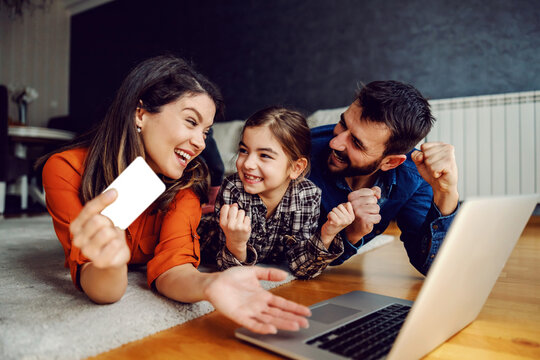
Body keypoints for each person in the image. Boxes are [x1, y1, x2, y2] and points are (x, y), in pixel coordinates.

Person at [40, 55, 310, 335]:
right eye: (191, 122)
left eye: (206, 132)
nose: (200, 143)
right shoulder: (65, 169)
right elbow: (102, 288)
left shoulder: (187, 184)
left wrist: (209, 285)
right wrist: (110, 264)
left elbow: (174, 268)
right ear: (140, 114)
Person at [308, 80, 459, 276]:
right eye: (343, 123)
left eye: (356, 142)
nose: (336, 143)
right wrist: (351, 234)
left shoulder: (413, 175)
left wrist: (446, 191)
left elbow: (432, 266)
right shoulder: (297, 156)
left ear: (390, 162)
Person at [200, 107, 354, 279]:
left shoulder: (308, 195)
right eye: (244, 150)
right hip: (206, 245)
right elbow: (229, 271)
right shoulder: (233, 189)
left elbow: (302, 268)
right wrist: (236, 243)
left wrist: (327, 234)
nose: (248, 163)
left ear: (296, 168)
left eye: (264, 155)